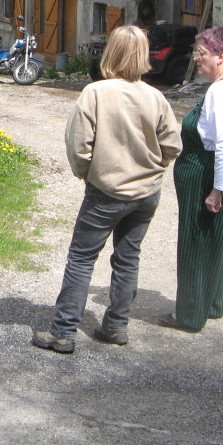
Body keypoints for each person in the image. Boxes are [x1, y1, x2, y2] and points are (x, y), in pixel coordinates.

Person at [33, 26, 181, 354]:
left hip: (106, 191)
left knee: (82, 258)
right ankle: (115, 326)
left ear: (111, 53)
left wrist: (90, 174)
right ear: (143, 55)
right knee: (128, 259)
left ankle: (62, 332)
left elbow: (78, 146)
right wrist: (154, 170)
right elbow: (173, 144)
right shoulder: (155, 97)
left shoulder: (96, 93)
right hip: (145, 194)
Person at [161, 26, 223, 332]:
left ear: (221, 55)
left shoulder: (222, 91)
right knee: (219, 236)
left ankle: (189, 314)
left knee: (195, 239)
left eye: (201, 52)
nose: (196, 58)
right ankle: (211, 303)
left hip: (210, 171)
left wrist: (217, 189)